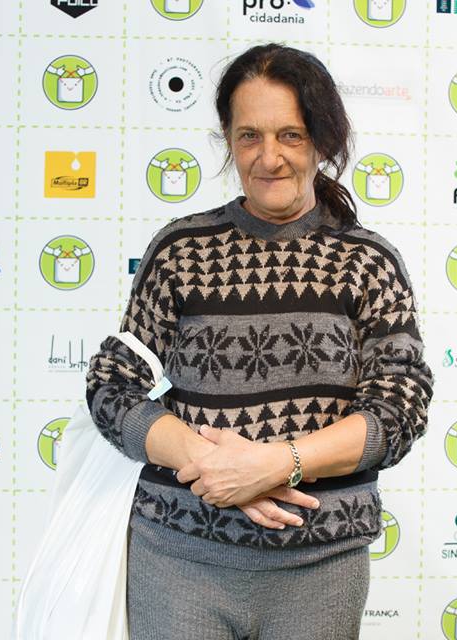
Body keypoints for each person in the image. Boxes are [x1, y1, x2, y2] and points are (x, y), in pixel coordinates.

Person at [86, 43, 434, 640]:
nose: (269, 157)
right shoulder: (181, 252)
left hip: (320, 571)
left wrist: (276, 463)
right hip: (178, 563)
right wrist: (216, 468)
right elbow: (111, 387)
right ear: (227, 139)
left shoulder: (367, 262)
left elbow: (400, 409)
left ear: (322, 141)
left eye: (290, 136)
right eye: (249, 136)